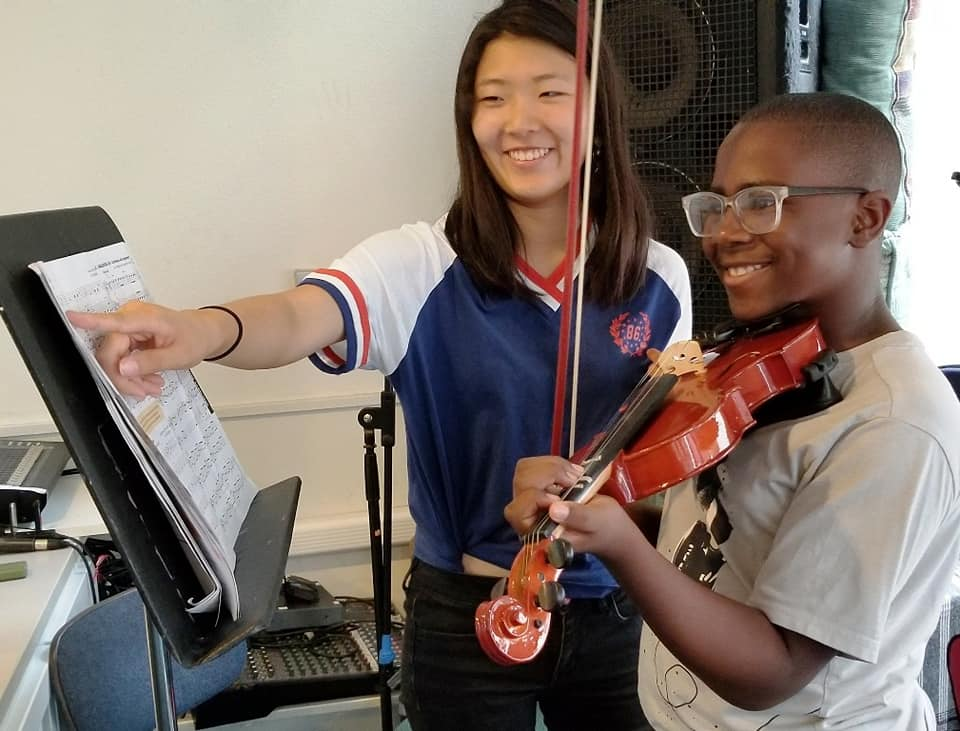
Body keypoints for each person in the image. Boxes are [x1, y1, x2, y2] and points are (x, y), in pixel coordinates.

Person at [68, 1, 692, 729]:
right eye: (493, 98)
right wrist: (201, 330)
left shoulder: (660, 276)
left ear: (599, 108)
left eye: (551, 91)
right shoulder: (418, 263)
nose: (519, 119)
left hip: (619, 611)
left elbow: (657, 469)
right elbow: (302, 314)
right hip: (469, 619)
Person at [507, 91, 960, 729]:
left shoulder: (890, 424)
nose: (722, 233)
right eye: (716, 205)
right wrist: (593, 508)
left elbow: (773, 669)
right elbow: (714, 534)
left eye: (760, 202)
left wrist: (617, 546)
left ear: (866, 218)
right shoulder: (767, 367)